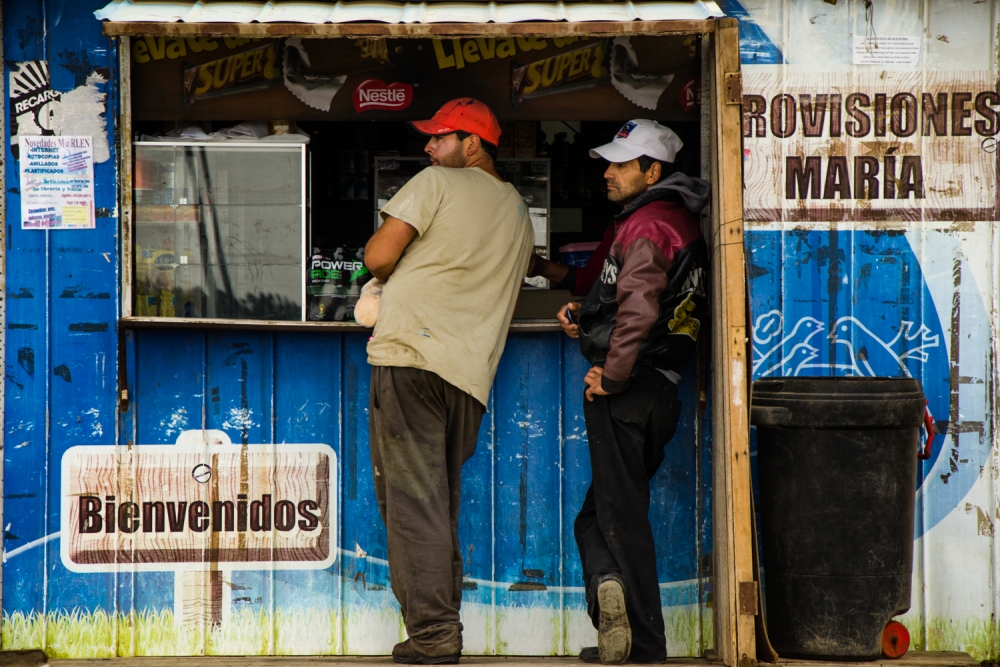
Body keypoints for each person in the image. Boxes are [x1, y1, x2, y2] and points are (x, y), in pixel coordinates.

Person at [363, 98, 534, 665]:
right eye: (430, 139)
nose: (429, 148)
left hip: (412, 359)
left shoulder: (436, 182)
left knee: (414, 508)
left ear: (473, 144)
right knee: (436, 506)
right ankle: (438, 630)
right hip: (468, 377)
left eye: (440, 138)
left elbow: (378, 257)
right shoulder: (517, 210)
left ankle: (434, 637)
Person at [557, 119, 710, 665]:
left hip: (627, 392)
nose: (609, 172)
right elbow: (642, 303)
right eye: (609, 163)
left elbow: (642, 308)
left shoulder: (647, 223)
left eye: (623, 164)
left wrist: (612, 373)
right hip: (660, 390)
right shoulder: (675, 220)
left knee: (616, 520)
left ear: (653, 171)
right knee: (604, 515)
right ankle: (612, 595)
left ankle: (638, 637)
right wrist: (585, 315)